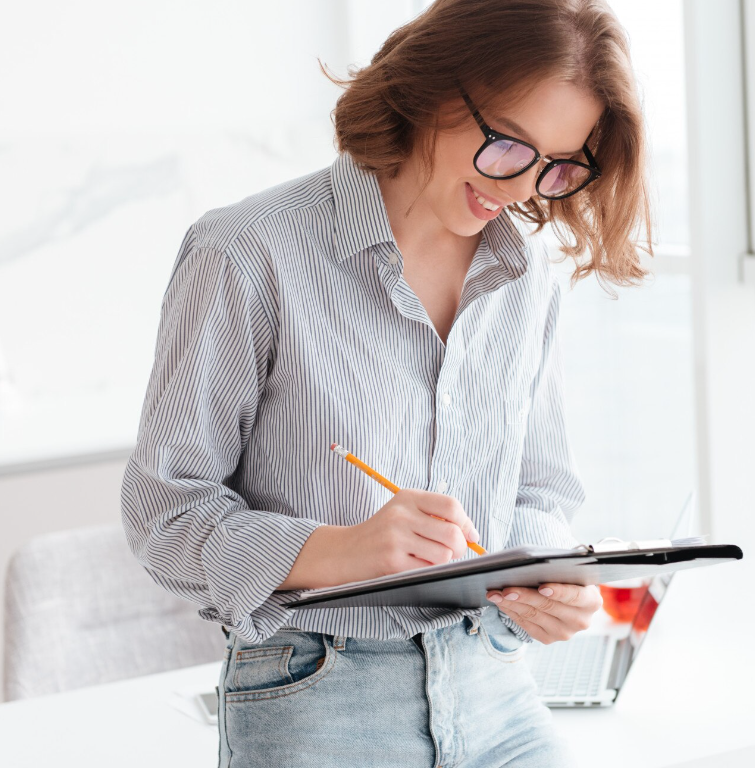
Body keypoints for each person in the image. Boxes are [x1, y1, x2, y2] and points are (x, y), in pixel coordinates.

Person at [121, 0, 653, 764]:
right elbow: (165, 516)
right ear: (434, 89)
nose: (520, 188)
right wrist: (339, 550)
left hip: (495, 685)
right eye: (507, 145)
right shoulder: (246, 255)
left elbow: (539, 490)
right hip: (319, 695)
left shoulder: (523, 277)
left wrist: (543, 578)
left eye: (557, 167)